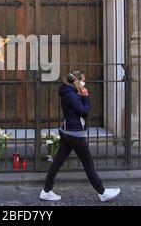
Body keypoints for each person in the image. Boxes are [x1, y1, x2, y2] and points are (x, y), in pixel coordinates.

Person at [40, 70, 121, 202]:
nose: (85, 82)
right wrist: (85, 96)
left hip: (68, 132)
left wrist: (80, 95)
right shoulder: (71, 95)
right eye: (83, 79)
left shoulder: (69, 92)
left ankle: (46, 191)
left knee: (58, 162)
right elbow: (84, 112)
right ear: (76, 81)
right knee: (88, 164)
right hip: (74, 134)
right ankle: (103, 192)